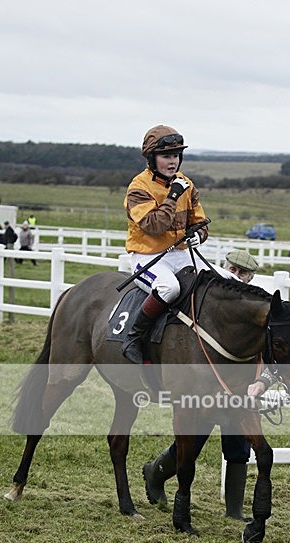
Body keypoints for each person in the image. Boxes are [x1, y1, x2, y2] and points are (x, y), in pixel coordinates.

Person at [142, 249, 266, 521]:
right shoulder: (210, 299)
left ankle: (234, 510)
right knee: (192, 442)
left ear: (251, 278)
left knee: (238, 444)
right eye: (232, 269)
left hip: (238, 389)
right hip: (207, 386)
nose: (236, 276)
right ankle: (156, 472)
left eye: (242, 273)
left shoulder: (252, 307)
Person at [122, 124, 209, 363]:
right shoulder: (138, 189)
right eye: (166, 156)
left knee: (220, 282)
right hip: (148, 258)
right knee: (169, 288)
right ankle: (134, 338)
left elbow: (200, 223)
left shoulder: (186, 184)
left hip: (179, 254)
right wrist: (172, 195)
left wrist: (198, 235)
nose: (173, 162)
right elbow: (154, 226)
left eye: (176, 156)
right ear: (152, 158)